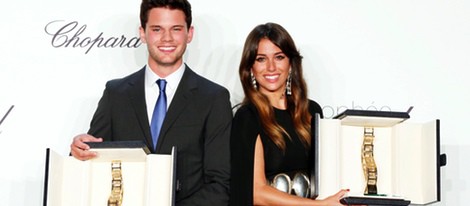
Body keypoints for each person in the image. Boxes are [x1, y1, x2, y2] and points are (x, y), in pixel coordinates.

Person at [69, 0, 232, 205]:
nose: (167, 38)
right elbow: (94, 163)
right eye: (157, 29)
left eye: (176, 29)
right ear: (142, 33)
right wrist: (79, 151)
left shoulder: (213, 98)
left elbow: (221, 184)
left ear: (189, 34)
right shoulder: (115, 94)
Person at [230, 22, 348, 206]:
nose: (270, 67)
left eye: (279, 57)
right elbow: (256, 192)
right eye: (261, 59)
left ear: (291, 63)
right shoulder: (247, 117)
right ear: (250, 68)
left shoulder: (312, 111)